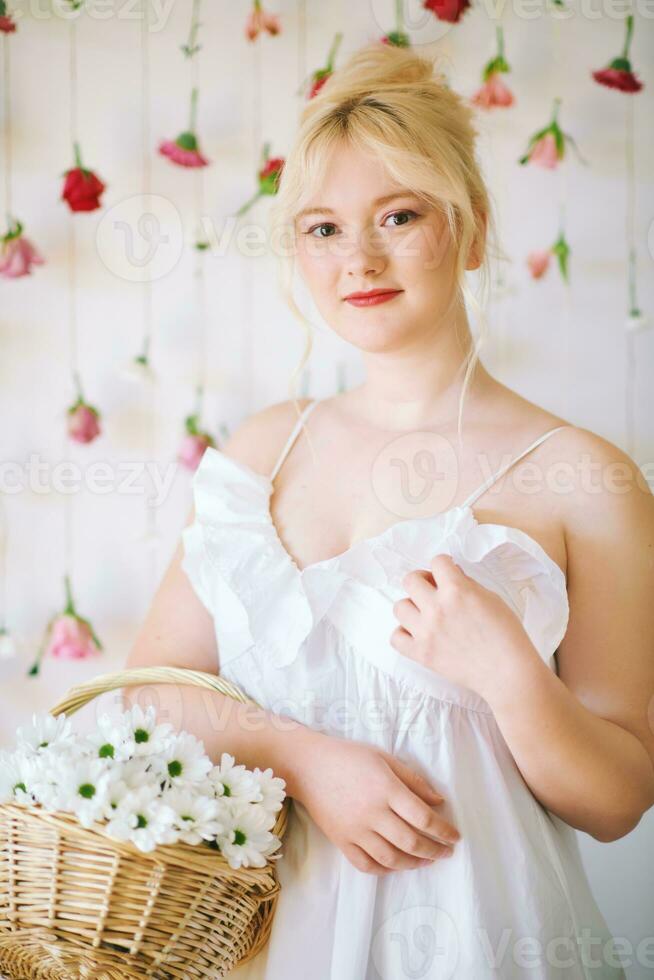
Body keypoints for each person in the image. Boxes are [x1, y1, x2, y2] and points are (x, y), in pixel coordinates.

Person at [124, 42, 654, 979]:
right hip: (269, 947)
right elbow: (149, 695)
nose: (358, 259)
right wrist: (302, 758)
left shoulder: (583, 476)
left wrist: (510, 677)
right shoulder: (263, 450)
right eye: (322, 229)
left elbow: (618, 801)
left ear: (473, 229)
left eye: (398, 216)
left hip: (487, 942)